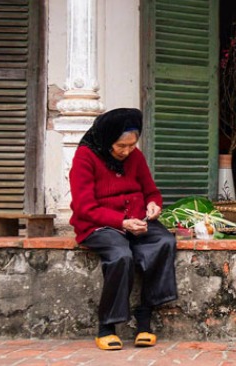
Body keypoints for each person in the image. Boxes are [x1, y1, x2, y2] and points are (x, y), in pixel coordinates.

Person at [69, 108, 178, 350]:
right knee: (121, 255)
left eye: (132, 144)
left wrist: (153, 205)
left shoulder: (134, 157)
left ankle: (144, 318)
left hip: (135, 222)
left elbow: (151, 190)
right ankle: (106, 327)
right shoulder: (85, 157)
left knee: (164, 242)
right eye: (121, 146)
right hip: (99, 224)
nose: (127, 151)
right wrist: (121, 222)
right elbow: (84, 207)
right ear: (108, 138)